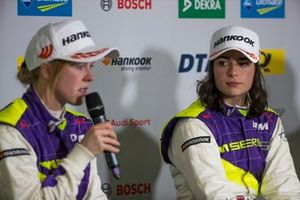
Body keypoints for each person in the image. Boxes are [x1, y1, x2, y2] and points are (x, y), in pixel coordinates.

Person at [160, 25, 300, 200]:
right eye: (223, 63)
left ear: (255, 69)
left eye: (243, 63)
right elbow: (215, 194)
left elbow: (285, 189)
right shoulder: (193, 124)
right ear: (212, 70)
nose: (233, 72)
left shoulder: (269, 119)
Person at [0, 19, 120, 199]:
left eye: (91, 66)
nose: (90, 76)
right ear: (47, 71)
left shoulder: (80, 124)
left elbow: (93, 195)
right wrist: (83, 152)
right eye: (80, 66)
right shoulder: (10, 130)